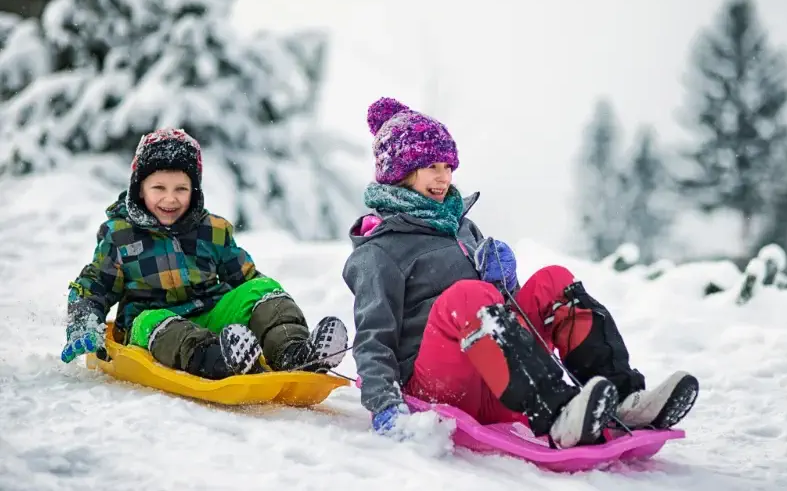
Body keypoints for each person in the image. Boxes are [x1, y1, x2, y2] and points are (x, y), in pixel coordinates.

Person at [342, 98, 699, 448]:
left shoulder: (463, 228)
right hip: (437, 386)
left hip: (499, 383)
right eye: (432, 166)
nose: (444, 177)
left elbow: (498, 305)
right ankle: (556, 412)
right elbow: (374, 339)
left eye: (449, 167)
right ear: (401, 173)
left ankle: (623, 398)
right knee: (466, 295)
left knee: (554, 281)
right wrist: (385, 406)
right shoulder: (380, 250)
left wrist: (504, 282)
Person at [61, 128, 349, 380]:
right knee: (153, 321)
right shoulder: (120, 235)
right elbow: (93, 287)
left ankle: (295, 353)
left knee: (263, 289)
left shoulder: (212, 230)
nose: (170, 198)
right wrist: (83, 322)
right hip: (151, 328)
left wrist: (265, 307)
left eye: (181, 189)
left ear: (194, 191)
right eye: (158, 187)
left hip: (210, 316)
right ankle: (221, 360)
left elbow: (246, 280)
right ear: (139, 189)